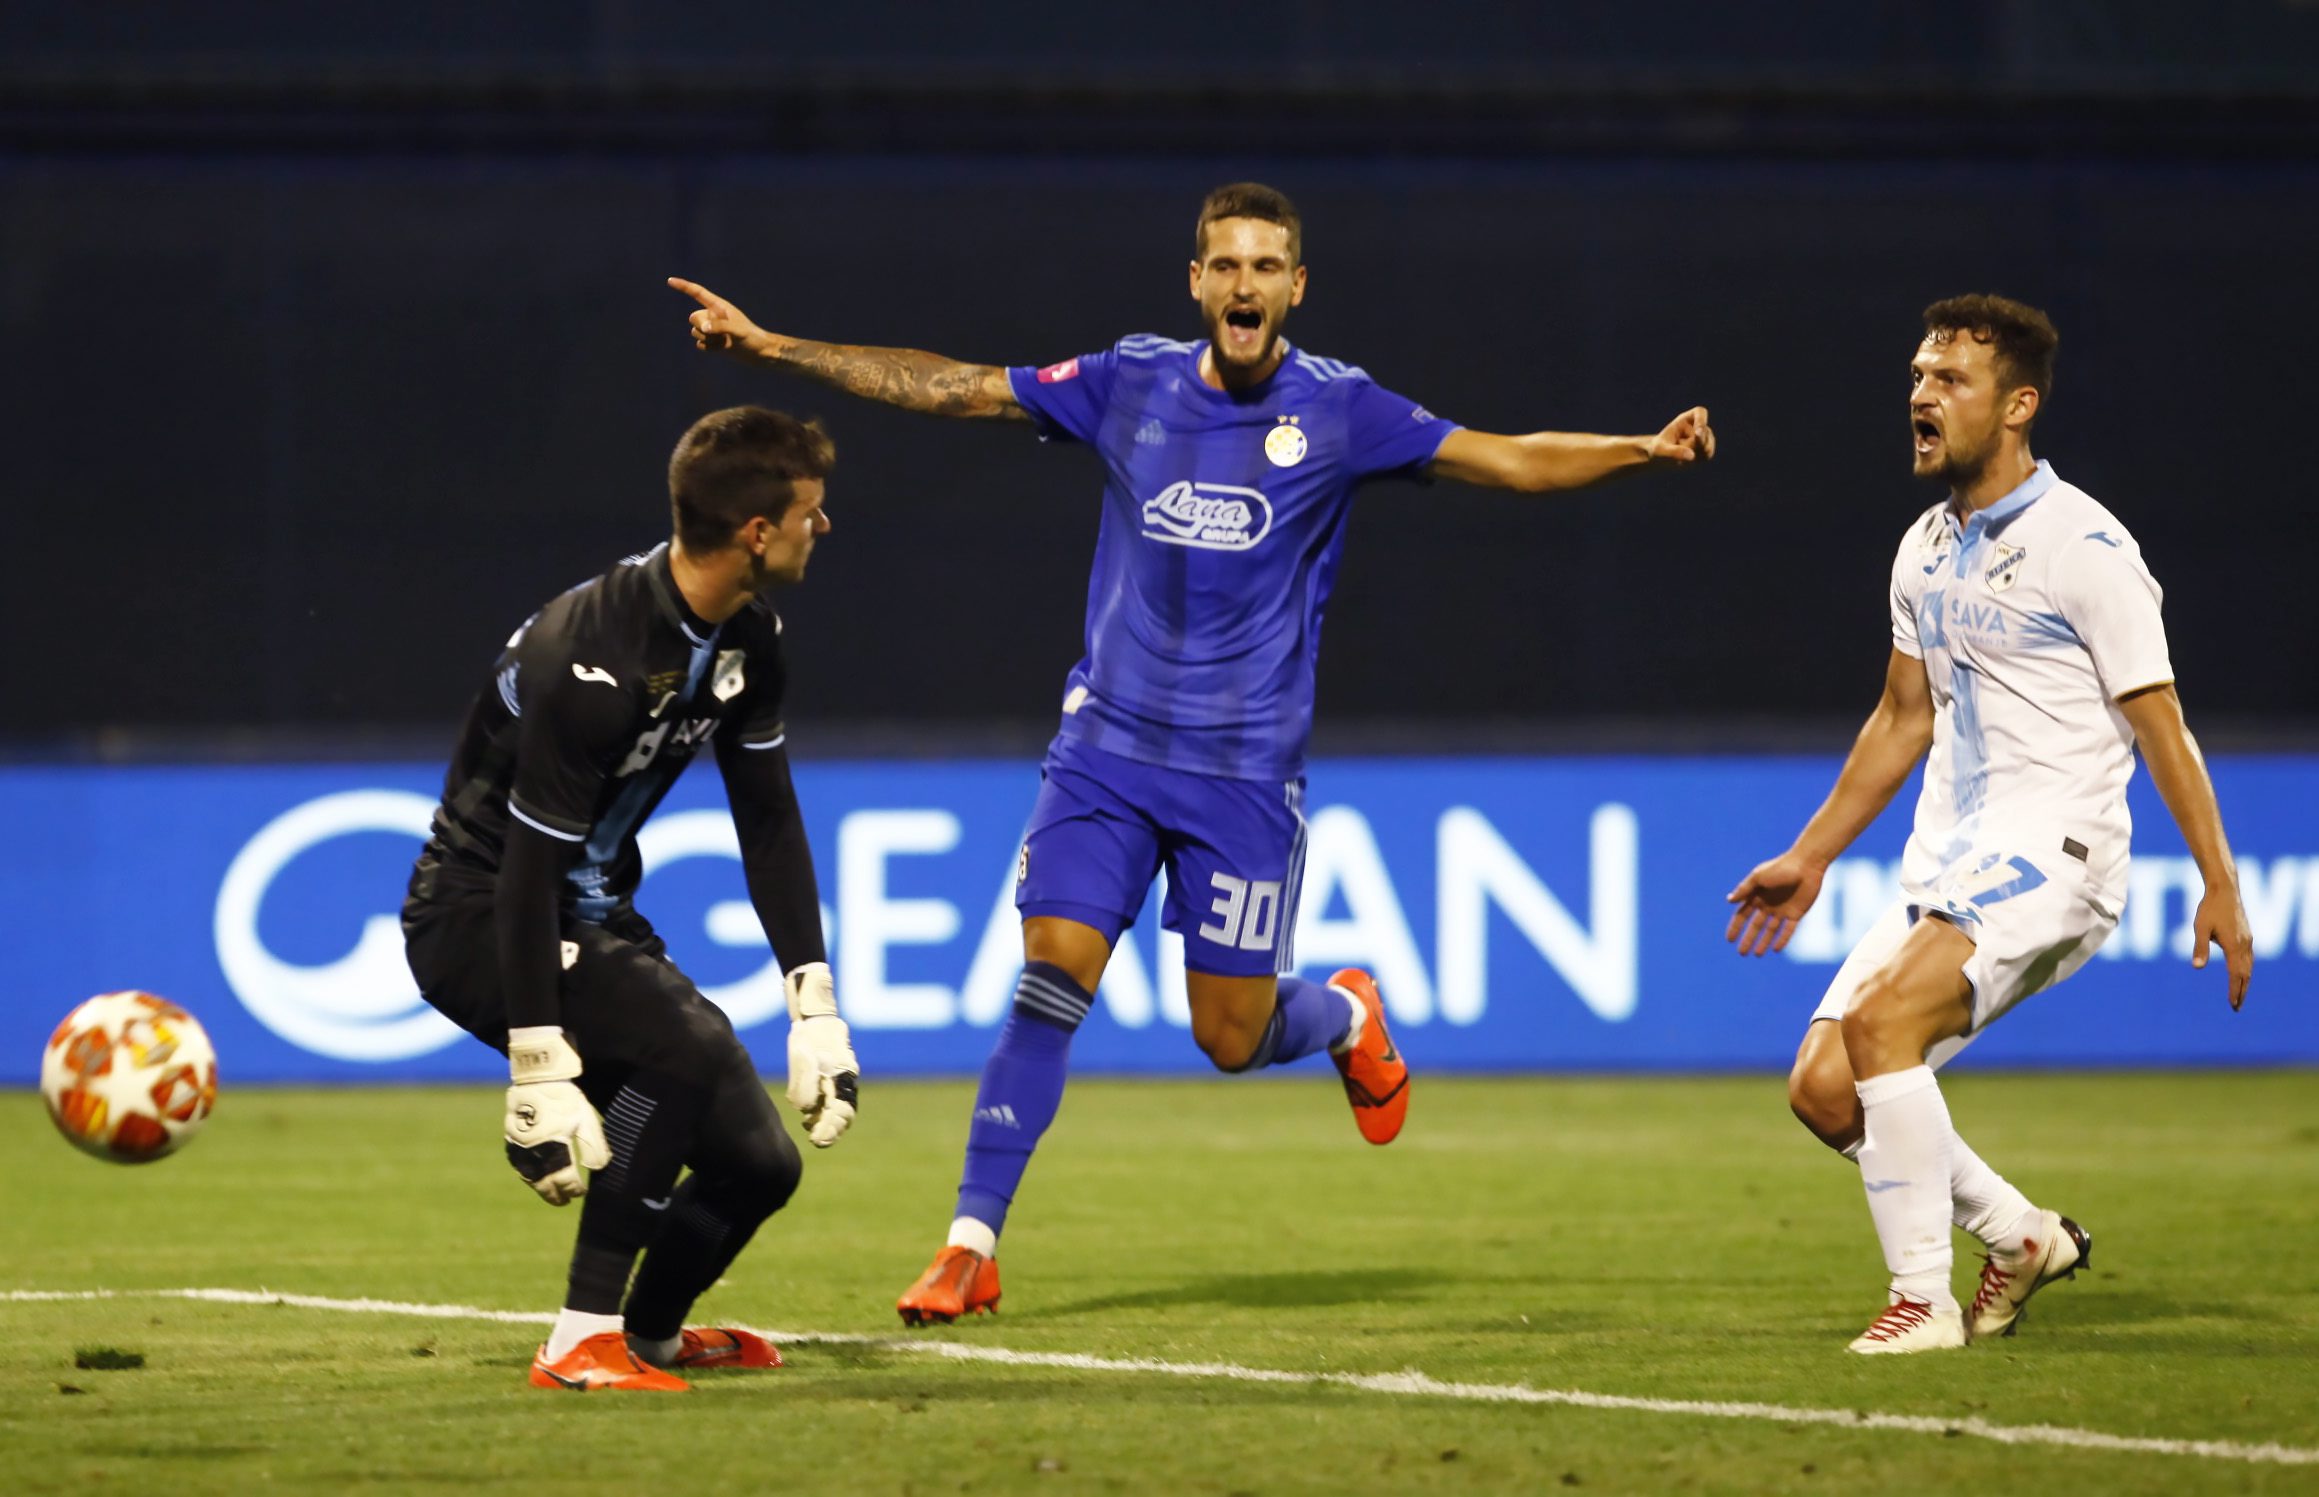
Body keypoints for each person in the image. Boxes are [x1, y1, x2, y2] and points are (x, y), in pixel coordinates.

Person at [671, 181, 1715, 1325]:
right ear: (1196, 283)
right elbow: (956, 387)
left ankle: (1350, 1017)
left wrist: (1639, 453)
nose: (1244, 285)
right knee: (1051, 973)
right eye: (1225, 266)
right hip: (1106, 753)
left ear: (1296, 287)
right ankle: (971, 1245)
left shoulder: (1342, 412)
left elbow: (1507, 460)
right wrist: (774, 348)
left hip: (1244, 780)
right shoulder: (1129, 381)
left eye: (1267, 267)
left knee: (1231, 1036)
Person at [1725, 295, 2253, 1354]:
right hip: (1951, 858)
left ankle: (1921, 1301)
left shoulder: (2086, 546)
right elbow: (1901, 716)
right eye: (1918, 376)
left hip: (2057, 851)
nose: (1922, 396)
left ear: (2018, 406)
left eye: (1949, 381)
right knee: (1826, 1089)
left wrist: (2221, 880)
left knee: (1881, 1032)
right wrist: (1812, 854)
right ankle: (2019, 1235)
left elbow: (2164, 727)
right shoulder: (1925, 547)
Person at [401, 406, 862, 1390]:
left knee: (760, 1166)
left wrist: (813, 999)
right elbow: (526, 865)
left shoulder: (750, 637)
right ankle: (580, 1339)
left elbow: (769, 824)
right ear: (755, 532)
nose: (822, 528)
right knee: (680, 1052)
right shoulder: (593, 651)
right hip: (479, 916)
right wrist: (538, 1064)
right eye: (810, 514)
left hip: (590, 910)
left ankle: (651, 1333)